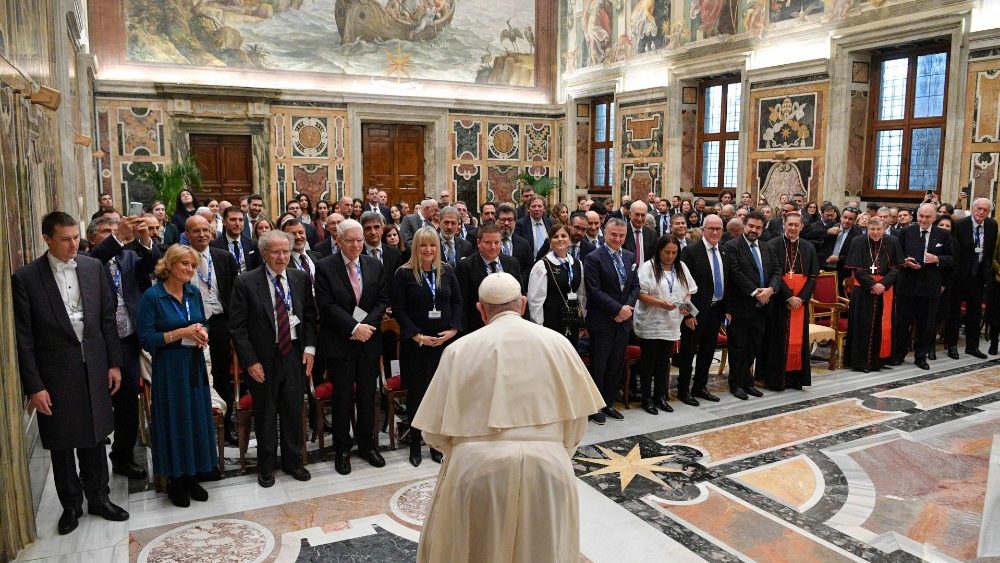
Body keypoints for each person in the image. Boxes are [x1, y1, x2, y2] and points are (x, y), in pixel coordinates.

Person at [411, 273, 604, 563]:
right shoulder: (559, 344)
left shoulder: (458, 350)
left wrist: (469, 450)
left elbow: (433, 434)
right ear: (523, 304)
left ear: (481, 310)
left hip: (476, 471)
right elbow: (576, 425)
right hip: (548, 470)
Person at [13, 211, 130, 535]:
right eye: (64, 239)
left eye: (75, 238)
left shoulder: (92, 267)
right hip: (55, 372)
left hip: (93, 365)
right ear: (47, 239)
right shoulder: (26, 278)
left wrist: (113, 363)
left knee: (95, 436)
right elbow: (24, 337)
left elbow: (107, 318)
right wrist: (34, 386)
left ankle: (100, 498)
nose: (72, 244)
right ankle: (71, 506)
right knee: (62, 442)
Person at [229, 230, 317, 487]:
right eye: (276, 252)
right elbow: (238, 328)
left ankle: (293, 461)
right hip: (263, 358)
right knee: (266, 411)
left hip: (293, 354)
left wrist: (310, 349)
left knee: (293, 409)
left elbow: (310, 317)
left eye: (286, 251)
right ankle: (266, 465)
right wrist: (250, 361)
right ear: (265, 254)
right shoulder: (246, 282)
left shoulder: (300, 278)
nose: (282, 257)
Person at [136, 245, 217, 506]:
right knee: (175, 420)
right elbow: (146, 338)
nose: (189, 269)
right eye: (184, 264)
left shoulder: (193, 292)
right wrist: (181, 333)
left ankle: (193, 476)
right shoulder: (152, 296)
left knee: (195, 418)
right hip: (169, 369)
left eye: (192, 266)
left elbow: (201, 323)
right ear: (169, 265)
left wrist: (202, 333)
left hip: (193, 364)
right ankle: (175, 481)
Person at [85, 215, 159, 479]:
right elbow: (100, 257)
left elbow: (152, 265)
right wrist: (118, 239)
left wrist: (145, 239)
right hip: (96, 343)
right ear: (93, 238)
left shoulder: (127, 257)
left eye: (115, 231)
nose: (113, 234)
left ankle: (122, 457)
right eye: (106, 231)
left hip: (127, 339)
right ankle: (91, 466)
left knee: (128, 401)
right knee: (96, 401)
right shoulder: (88, 260)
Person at [314, 219, 389, 475]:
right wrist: (353, 328)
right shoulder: (325, 267)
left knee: (369, 396)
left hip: (368, 341)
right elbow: (326, 305)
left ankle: (367, 446)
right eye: (350, 240)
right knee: (342, 397)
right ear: (338, 240)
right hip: (340, 343)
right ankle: (342, 449)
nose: (356, 244)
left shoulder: (374, 265)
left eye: (359, 240)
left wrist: (365, 326)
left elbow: (381, 300)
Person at [390, 227, 462, 467]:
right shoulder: (404, 274)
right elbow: (399, 309)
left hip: (443, 344)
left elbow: (456, 302)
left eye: (432, 245)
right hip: (417, 345)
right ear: (416, 248)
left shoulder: (447, 271)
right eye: (423, 245)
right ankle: (415, 444)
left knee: (441, 395)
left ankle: (435, 444)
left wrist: (452, 330)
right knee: (418, 396)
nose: (428, 250)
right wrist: (417, 336)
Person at [184, 215, 239, 446]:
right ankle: (199, 426)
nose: (202, 234)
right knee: (195, 376)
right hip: (190, 325)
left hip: (218, 323)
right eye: (196, 230)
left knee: (221, 375)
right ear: (187, 234)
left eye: (206, 230)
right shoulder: (181, 259)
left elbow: (235, 293)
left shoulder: (224, 257)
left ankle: (226, 427)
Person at [584, 218, 639, 424]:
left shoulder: (630, 256)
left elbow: (635, 286)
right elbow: (594, 290)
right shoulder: (593, 258)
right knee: (599, 364)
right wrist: (617, 309)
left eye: (621, 235)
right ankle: (594, 406)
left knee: (616, 363)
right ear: (605, 234)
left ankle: (608, 402)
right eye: (613, 234)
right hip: (602, 320)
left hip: (623, 320)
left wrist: (627, 309)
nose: (617, 239)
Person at [634, 235, 696, 414]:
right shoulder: (649, 267)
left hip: (671, 322)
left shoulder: (681, 267)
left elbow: (689, 292)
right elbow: (640, 293)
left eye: (674, 253)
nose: (670, 256)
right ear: (659, 250)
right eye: (666, 252)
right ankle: (647, 398)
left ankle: (660, 396)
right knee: (649, 362)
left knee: (663, 362)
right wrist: (661, 303)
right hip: (651, 321)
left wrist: (686, 305)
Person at [758, 212, 819, 390]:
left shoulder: (808, 247)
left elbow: (813, 277)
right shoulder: (772, 245)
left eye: (796, 225)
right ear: (783, 225)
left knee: (798, 340)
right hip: (778, 301)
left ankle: (794, 378)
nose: (792, 228)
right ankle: (775, 379)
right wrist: (788, 297)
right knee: (775, 340)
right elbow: (772, 274)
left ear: (802, 227)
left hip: (800, 302)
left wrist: (801, 298)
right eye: (789, 224)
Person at [722, 211, 780, 400]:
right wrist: (756, 293)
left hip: (763, 307)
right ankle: (736, 384)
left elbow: (777, 270)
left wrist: (771, 289)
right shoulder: (731, 246)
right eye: (751, 226)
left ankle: (748, 382)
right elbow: (736, 273)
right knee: (738, 347)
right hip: (741, 306)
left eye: (758, 227)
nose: (754, 230)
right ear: (744, 226)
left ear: (763, 230)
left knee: (753, 347)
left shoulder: (767, 247)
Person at [892, 203, 954, 370]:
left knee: (926, 324)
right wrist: (904, 261)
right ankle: (899, 354)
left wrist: (937, 259)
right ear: (916, 216)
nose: (924, 220)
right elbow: (894, 255)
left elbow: (952, 259)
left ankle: (920, 357)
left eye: (927, 217)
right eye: (921, 216)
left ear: (934, 218)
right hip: (907, 286)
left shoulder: (943, 235)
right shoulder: (905, 232)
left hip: (930, 287)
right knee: (902, 323)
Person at [675, 215, 726, 406]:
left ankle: (700, 386)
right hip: (694, 312)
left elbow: (725, 282)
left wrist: (725, 311)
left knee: (707, 351)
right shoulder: (690, 252)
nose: (714, 232)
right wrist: (686, 313)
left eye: (718, 229)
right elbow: (681, 285)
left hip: (715, 310)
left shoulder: (724, 251)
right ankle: (683, 389)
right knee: (688, 352)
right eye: (711, 228)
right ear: (703, 229)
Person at [844, 218, 903, 372]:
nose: (875, 232)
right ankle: (860, 363)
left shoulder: (892, 241)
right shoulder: (858, 241)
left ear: (884, 228)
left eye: (878, 229)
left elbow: (896, 267)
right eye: (872, 229)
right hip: (863, 290)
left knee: (881, 325)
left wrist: (883, 284)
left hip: (885, 289)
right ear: (867, 228)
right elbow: (856, 269)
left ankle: (879, 361)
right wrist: (872, 284)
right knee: (862, 326)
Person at [944, 197, 996, 359]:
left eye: (985, 210)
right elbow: (954, 252)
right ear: (972, 209)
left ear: (989, 212)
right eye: (978, 208)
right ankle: (952, 345)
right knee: (954, 313)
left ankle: (972, 347)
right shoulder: (960, 225)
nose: (981, 212)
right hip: (959, 276)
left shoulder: (992, 225)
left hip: (979, 275)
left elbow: (990, 251)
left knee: (974, 313)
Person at [456, 224, 522, 334]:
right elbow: (463, 305)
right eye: (488, 243)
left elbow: (520, 295)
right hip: (479, 329)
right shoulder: (465, 266)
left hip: (510, 329)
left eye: (497, 242)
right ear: (478, 243)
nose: (493, 247)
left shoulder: (512, 263)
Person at [528, 224, 584, 348]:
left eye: (564, 236)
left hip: (572, 319)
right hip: (551, 321)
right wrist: (539, 328)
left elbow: (581, 294)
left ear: (569, 240)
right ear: (550, 242)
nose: (560, 239)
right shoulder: (542, 265)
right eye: (555, 236)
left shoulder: (577, 264)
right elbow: (535, 301)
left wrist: (581, 320)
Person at [212, 206, 261, 273]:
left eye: (240, 220)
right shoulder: (214, 245)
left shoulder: (252, 244)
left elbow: (258, 269)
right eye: (233, 220)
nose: (237, 224)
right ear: (224, 222)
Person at [496, 203, 535, 286]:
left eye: (510, 220)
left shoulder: (523, 243)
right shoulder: (489, 243)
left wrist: (518, 281)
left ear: (515, 222)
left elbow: (529, 267)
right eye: (503, 220)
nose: (506, 223)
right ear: (496, 221)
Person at [623, 201, 657, 267]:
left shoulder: (652, 234)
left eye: (643, 215)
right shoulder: (623, 232)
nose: (640, 219)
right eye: (637, 214)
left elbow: (653, 257)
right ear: (630, 214)